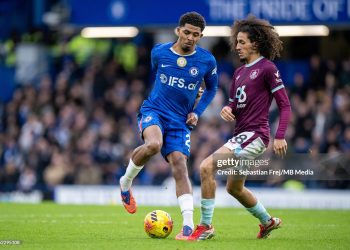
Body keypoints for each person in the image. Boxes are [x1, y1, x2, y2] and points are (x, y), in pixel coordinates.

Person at [188, 15, 291, 241]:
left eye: (242, 42)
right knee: (234, 188)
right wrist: (228, 109)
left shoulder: (266, 67)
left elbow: (284, 104)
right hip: (242, 134)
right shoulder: (239, 73)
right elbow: (235, 103)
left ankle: (205, 226)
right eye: (237, 42)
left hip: (255, 134)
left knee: (206, 167)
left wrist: (280, 135)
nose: (237, 47)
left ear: (255, 43)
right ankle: (268, 221)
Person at [119, 12, 218, 240]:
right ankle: (125, 183)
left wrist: (197, 111)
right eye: (187, 32)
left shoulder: (206, 60)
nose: (190, 38)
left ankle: (187, 225)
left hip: (180, 120)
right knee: (154, 144)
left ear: (201, 36)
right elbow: (160, 77)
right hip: (154, 110)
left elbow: (211, 88)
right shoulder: (160, 52)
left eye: (196, 35)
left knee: (180, 165)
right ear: (178, 31)